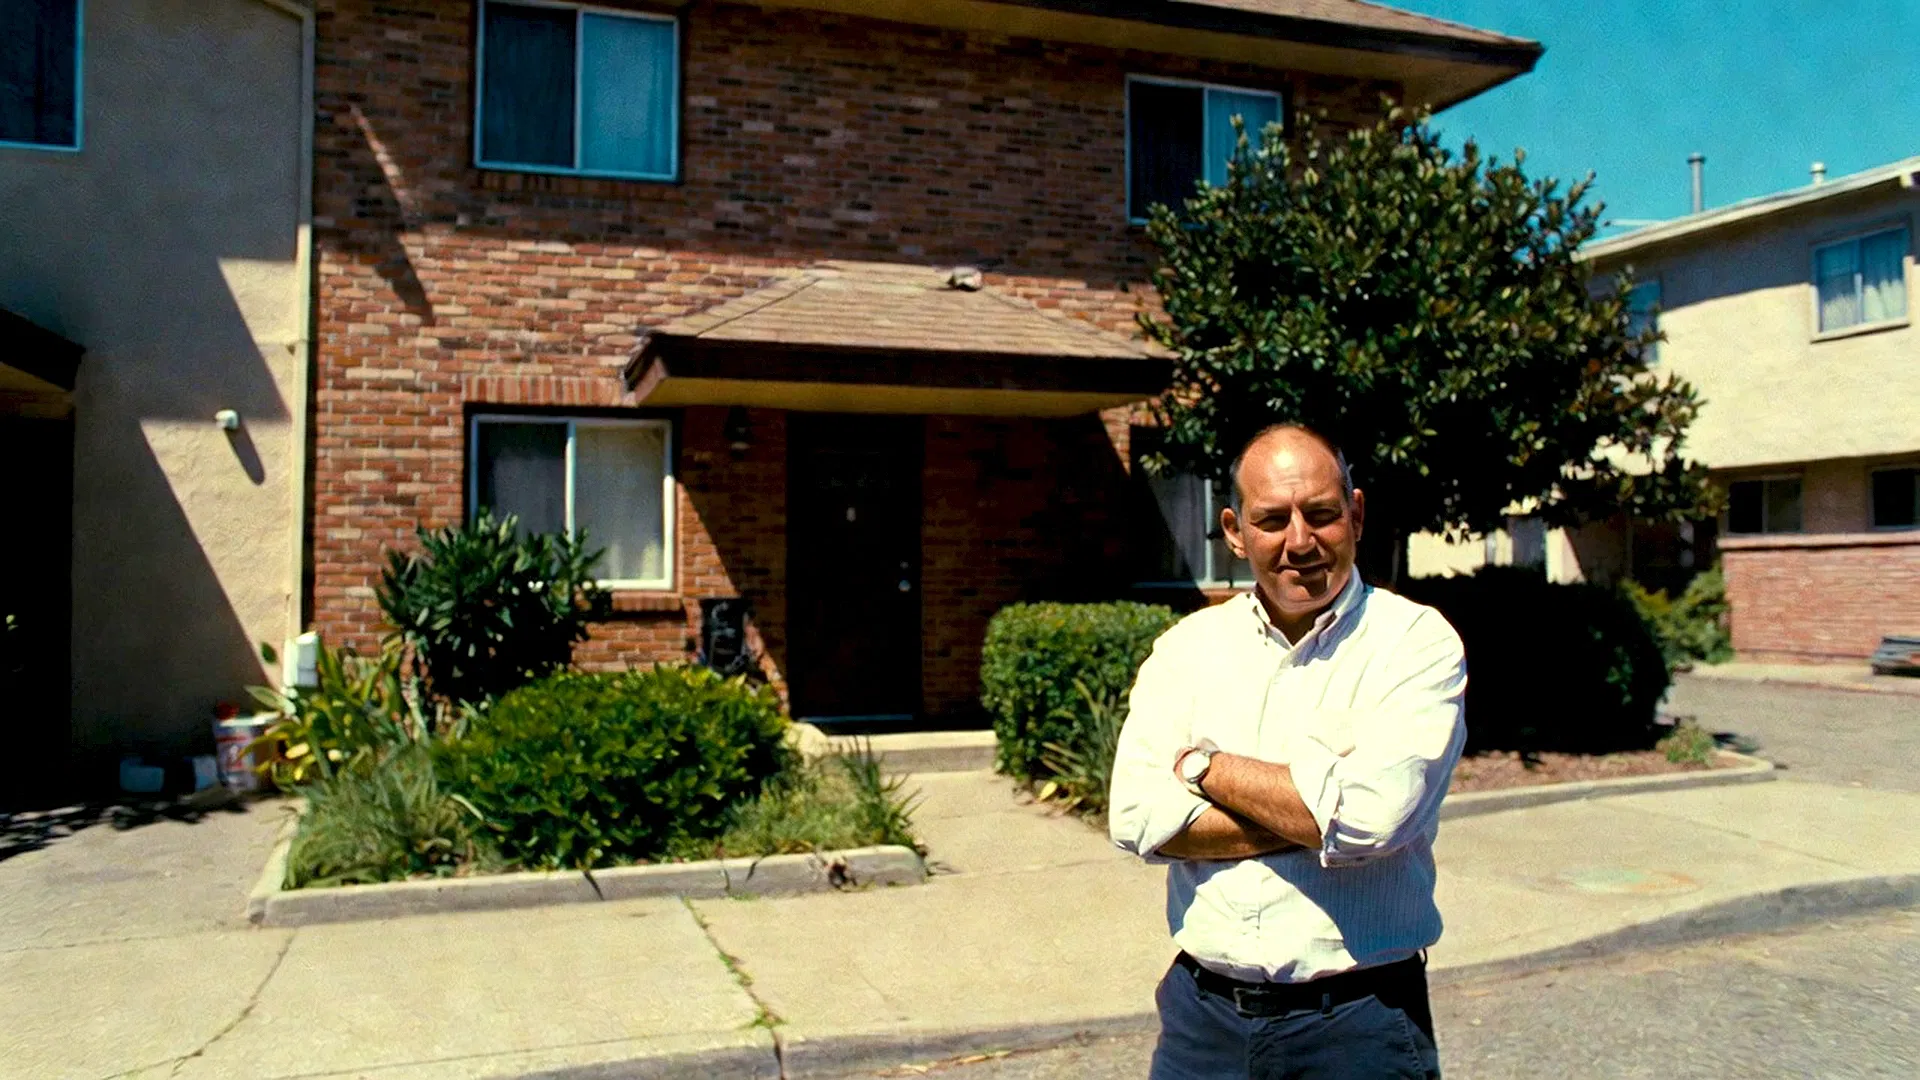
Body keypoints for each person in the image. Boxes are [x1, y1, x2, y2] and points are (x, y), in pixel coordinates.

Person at [1109, 424, 1468, 1079]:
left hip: (1358, 1025)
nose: (1298, 541)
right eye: (1271, 519)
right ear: (1236, 531)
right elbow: (1135, 817)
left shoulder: (1414, 644)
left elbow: (1373, 818)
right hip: (1202, 1023)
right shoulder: (1188, 650)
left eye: (1322, 514)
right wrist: (1314, 808)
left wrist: (1204, 768)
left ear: (1356, 514)